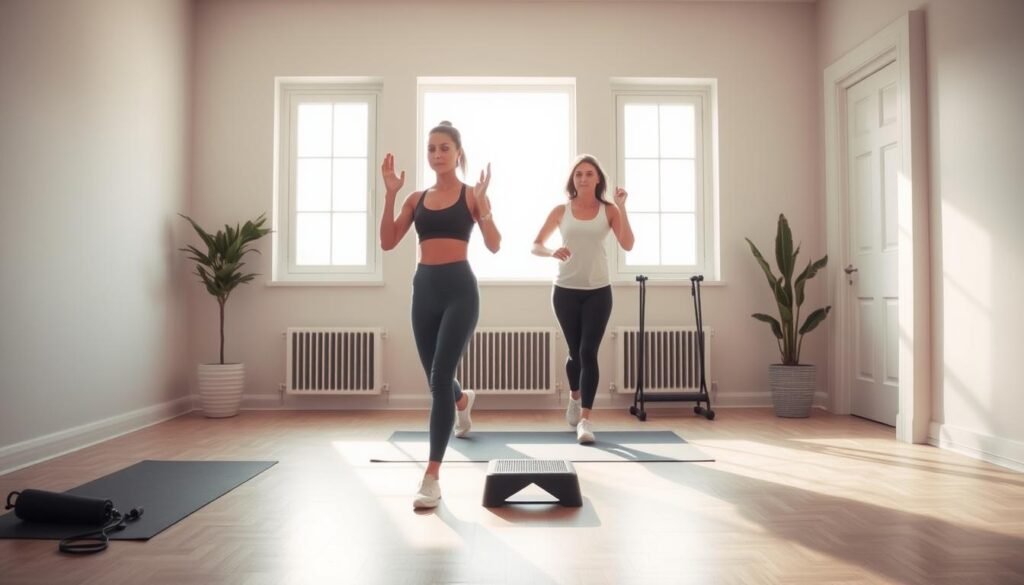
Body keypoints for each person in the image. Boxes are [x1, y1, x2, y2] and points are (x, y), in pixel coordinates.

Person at [380, 121, 501, 509]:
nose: (437, 155)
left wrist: (483, 207)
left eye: (444, 148)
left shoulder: (471, 194)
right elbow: (387, 241)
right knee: (437, 378)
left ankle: (431, 476)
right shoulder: (415, 198)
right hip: (425, 290)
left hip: (460, 291)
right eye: (431, 148)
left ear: (458, 152)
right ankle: (462, 402)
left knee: (437, 380)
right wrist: (390, 195)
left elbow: (496, 245)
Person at [531, 154, 634, 444]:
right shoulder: (561, 210)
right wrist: (551, 251)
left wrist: (623, 208)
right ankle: (575, 396)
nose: (584, 178)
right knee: (575, 353)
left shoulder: (610, 210)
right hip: (564, 290)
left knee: (589, 352)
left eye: (589, 174)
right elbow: (535, 244)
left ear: (598, 178)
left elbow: (627, 243)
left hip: (598, 291)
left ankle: (585, 421)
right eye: (579, 174)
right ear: (572, 179)